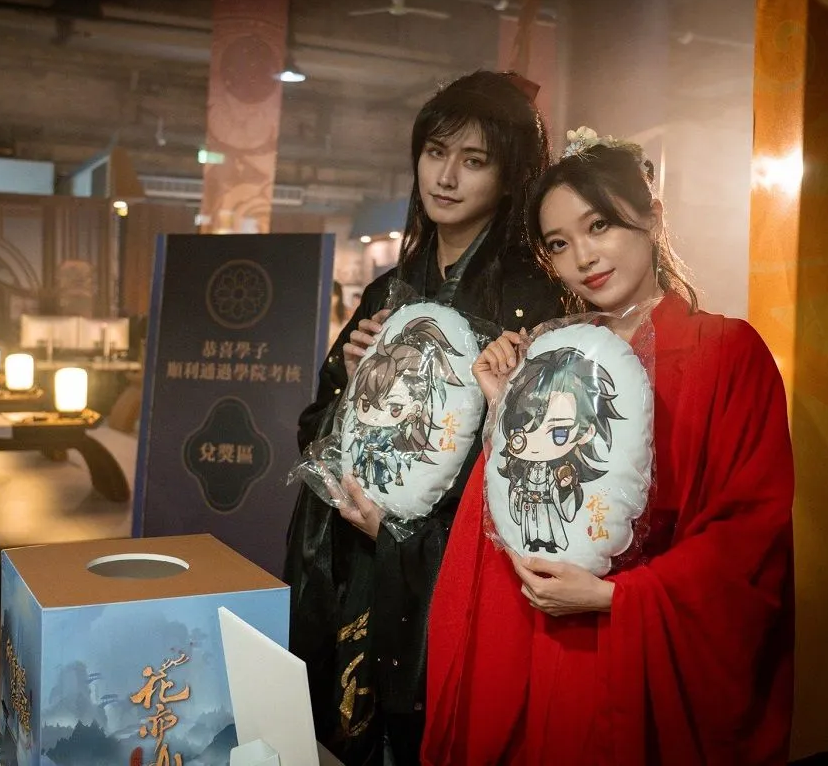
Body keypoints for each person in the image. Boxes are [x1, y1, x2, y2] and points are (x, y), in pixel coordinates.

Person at [422, 130, 794, 765]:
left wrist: (621, 597)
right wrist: (504, 404)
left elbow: (749, 532)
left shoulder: (727, 352)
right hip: (542, 636)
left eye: (599, 226)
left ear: (652, 216)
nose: (583, 258)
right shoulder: (547, 357)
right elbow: (510, 516)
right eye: (558, 244)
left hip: (643, 645)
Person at [284, 70, 569, 766]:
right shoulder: (389, 288)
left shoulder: (535, 300)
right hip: (349, 547)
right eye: (436, 152)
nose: (446, 177)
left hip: (444, 563)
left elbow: (539, 467)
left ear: (510, 176)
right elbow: (317, 424)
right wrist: (355, 380)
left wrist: (408, 533)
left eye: (474, 161)